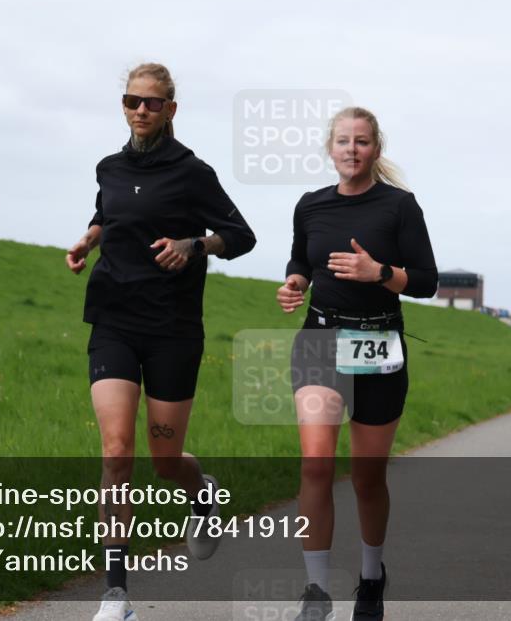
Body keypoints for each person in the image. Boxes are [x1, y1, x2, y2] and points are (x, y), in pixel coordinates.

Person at [65, 63, 256, 621]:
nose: (140, 111)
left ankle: (203, 493)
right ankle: (116, 593)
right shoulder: (109, 167)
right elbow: (108, 214)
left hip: (173, 330)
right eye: (131, 101)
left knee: (165, 458)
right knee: (116, 451)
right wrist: (87, 241)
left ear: (171, 109)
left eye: (151, 103)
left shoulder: (193, 173)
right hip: (114, 322)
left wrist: (195, 245)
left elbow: (241, 236)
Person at [276, 107, 438, 621]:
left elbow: (428, 281)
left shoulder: (400, 207)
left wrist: (380, 271)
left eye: (362, 142)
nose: (351, 149)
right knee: (317, 464)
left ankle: (371, 579)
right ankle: (317, 592)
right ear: (330, 148)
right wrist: (295, 284)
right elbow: (301, 258)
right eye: (343, 141)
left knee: (367, 477)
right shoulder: (310, 205)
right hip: (321, 339)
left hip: (378, 343)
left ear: (376, 149)